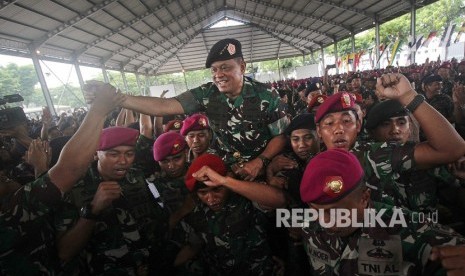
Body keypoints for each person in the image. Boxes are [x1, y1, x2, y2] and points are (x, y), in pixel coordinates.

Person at [84, 38, 288, 181]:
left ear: (242, 67)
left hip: (263, 168)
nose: (218, 75)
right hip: (225, 172)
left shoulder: (267, 95)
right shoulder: (207, 94)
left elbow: (281, 136)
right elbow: (165, 106)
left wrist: (260, 162)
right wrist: (117, 98)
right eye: (214, 69)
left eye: (225, 67)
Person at [0, 84, 123, 275]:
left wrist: (24, 136)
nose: (4, 175)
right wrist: (99, 109)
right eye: (2, 179)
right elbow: (68, 170)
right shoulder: (7, 216)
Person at [300, 149, 465, 275]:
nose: (323, 221)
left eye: (335, 212)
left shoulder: (413, 231)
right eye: (315, 210)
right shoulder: (309, 225)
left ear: (364, 197)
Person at [314, 73, 465, 211]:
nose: (339, 129)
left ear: (359, 126)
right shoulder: (313, 166)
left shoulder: (376, 154)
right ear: (319, 131)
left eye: (347, 121)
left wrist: (409, 97)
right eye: (329, 123)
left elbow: (452, 149)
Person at [55, 126, 169, 275]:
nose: (123, 161)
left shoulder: (138, 178)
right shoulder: (74, 190)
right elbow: (65, 252)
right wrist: (93, 209)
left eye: (129, 154)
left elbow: (156, 221)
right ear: (96, 153)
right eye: (113, 154)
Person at [178, 153, 286, 275]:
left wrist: (224, 181)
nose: (211, 199)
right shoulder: (196, 211)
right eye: (203, 193)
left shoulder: (245, 196)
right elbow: (194, 245)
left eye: (217, 190)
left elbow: (279, 199)